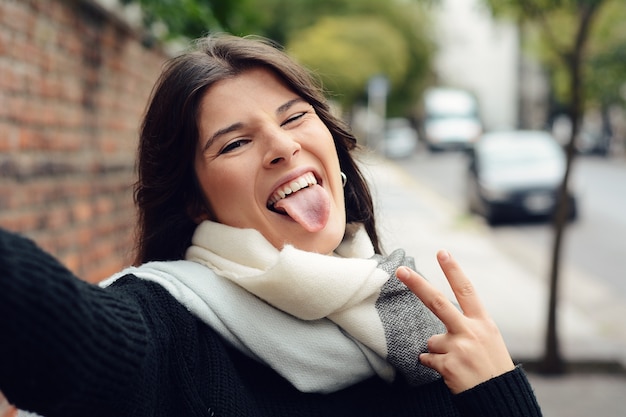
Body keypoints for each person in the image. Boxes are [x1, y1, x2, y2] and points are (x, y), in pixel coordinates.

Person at [0, 34, 542, 417]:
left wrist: (497, 389)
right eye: (235, 143)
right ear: (195, 202)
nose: (283, 147)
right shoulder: (168, 328)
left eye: (294, 117)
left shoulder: (413, 324)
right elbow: (58, 332)